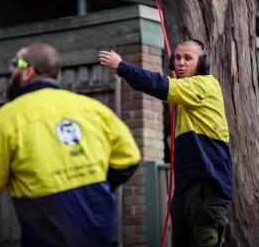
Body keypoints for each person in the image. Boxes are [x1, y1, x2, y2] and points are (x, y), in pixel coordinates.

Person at [0, 42, 141, 247]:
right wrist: (96, 188)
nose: (10, 69)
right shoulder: (93, 109)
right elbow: (130, 158)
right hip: (99, 230)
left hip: (45, 233)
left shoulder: (7, 118)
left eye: (15, 63)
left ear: (27, 72)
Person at [99, 39, 233, 247]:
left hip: (206, 186)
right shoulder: (185, 96)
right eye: (177, 58)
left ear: (203, 62)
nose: (181, 63)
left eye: (188, 58)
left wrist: (122, 66)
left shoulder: (205, 85)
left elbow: (158, 84)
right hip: (187, 188)